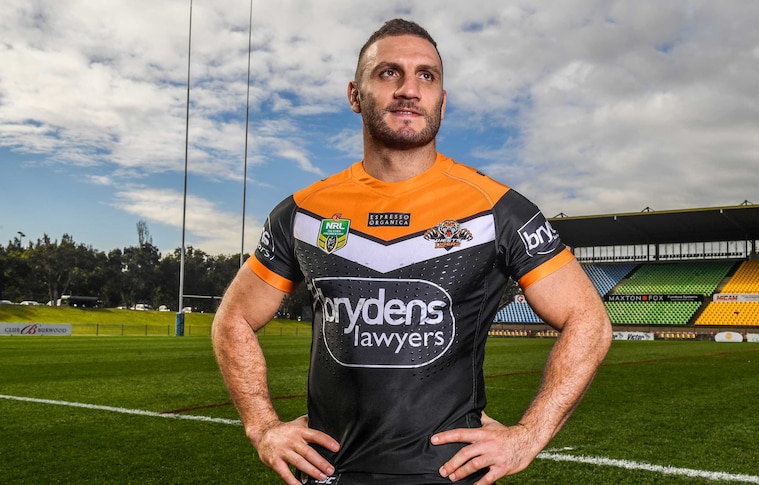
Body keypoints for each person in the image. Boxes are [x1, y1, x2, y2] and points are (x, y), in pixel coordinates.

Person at [212, 18, 611, 485]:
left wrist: (529, 434)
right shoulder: (303, 212)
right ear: (355, 94)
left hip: (445, 475)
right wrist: (262, 427)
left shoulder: (496, 209)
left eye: (427, 75)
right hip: (326, 474)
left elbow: (589, 320)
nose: (409, 89)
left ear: (443, 99)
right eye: (388, 73)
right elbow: (233, 319)